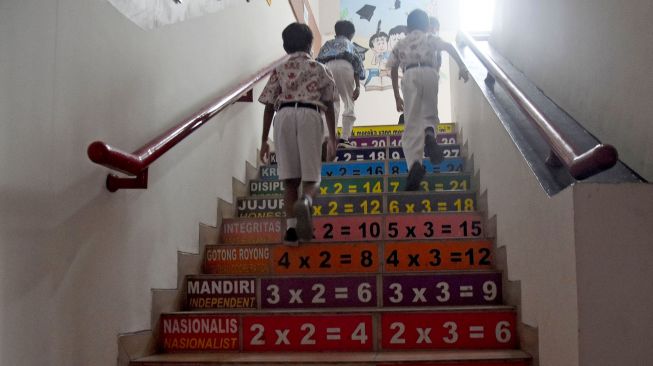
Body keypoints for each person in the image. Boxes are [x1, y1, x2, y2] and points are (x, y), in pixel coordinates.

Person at [259, 23, 338, 245]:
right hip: (309, 113)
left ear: (285, 47)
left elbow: (267, 105)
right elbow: (329, 104)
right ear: (310, 45)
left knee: (290, 181)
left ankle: (292, 231)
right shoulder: (319, 68)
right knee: (312, 178)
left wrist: (264, 140)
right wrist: (332, 138)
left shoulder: (280, 70)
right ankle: (306, 201)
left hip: (282, 115)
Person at [388, 9, 469, 191]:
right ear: (427, 25)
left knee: (411, 125)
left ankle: (415, 164)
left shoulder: (402, 42)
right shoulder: (430, 38)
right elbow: (449, 47)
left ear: (408, 28)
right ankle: (430, 135)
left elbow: (392, 68)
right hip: (431, 73)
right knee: (430, 115)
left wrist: (396, 96)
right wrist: (462, 67)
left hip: (409, 74)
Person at [316, 20, 365, 148]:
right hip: (346, 66)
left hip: (327, 67)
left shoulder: (328, 44)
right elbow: (357, 67)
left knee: (331, 102)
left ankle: (327, 137)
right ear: (350, 35)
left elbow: (317, 62)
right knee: (348, 101)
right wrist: (358, 86)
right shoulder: (350, 45)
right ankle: (344, 138)